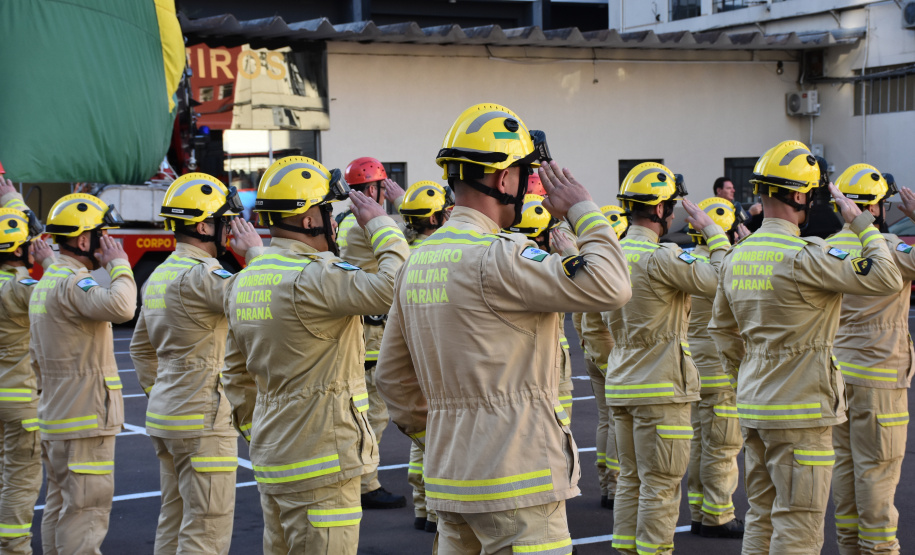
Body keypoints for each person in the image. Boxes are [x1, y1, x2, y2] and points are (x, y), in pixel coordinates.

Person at [375, 103, 631, 554]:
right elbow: (611, 285)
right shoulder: (501, 255)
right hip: (520, 482)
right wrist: (583, 211)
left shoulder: (417, 261)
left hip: (450, 479)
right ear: (502, 179)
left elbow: (392, 377)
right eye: (523, 173)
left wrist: (443, 433)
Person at [709, 141, 902, 555]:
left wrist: (746, 377)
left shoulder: (736, 256)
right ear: (799, 195)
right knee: (798, 526)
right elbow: (885, 277)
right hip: (801, 412)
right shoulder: (807, 255)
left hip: (755, 406)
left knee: (761, 516)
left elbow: (722, 331)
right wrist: (862, 224)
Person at [221, 156, 409, 555]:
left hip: (273, 456)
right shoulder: (317, 275)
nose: (332, 220)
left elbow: (234, 374)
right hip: (323, 462)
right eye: (327, 210)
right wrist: (381, 223)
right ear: (308, 220)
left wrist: (258, 432)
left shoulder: (244, 280)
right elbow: (398, 285)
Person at [129, 173, 263, 555]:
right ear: (204, 225)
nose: (229, 228)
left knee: (174, 520)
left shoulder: (159, 275)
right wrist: (252, 251)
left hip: (166, 414)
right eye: (223, 219)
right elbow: (265, 295)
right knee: (206, 528)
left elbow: (140, 349)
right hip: (201, 419)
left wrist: (163, 393)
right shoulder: (203, 275)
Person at [604, 163, 730, 555]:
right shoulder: (663, 257)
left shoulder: (613, 253)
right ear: (659, 211)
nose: (673, 213)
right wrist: (714, 232)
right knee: (660, 486)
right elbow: (721, 277)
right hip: (661, 390)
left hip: (622, 384)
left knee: (631, 480)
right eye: (670, 206)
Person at [29, 193, 137, 555]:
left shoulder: (45, 283)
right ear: (82, 239)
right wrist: (120, 265)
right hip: (84, 419)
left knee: (60, 509)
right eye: (101, 234)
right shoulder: (75, 283)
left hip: (58, 416)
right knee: (86, 514)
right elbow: (122, 306)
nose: (107, 242)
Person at [826, 166, 910, 555]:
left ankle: (849, 546)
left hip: (840, 376)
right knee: (877, 469)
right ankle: (879, 549)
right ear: (874, 208)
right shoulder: (892, 247)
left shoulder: (828, 249)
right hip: (881, 378)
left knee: (845, 467)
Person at [335, 157, 408, 509]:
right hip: (373, 332)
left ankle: (360, 475)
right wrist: (406, 204)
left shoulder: (345, 222)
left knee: (364, 408)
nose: (384, 193)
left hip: (364, 327)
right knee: (374, 411)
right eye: (381, 187)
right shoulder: (366, 226)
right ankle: (366, 483)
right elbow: (402, 248)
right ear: (372, 189)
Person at [684, 197, 747, 539]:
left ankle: (699, 510)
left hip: (692, 368)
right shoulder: (725, 263)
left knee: (698, 444)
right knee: (722, 447)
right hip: (720, 370)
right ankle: (718, 515)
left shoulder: (685, 261)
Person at [398, 179, 454, 534]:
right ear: (434, 218)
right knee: (442, 437)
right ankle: (435, 510)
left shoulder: (407, 256)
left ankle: (424, 509)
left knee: (422, 437)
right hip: (443, 359)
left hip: (414, 354)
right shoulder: (448, 252)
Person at [0, 181, 52, 555]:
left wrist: (12, 203)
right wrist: (48, 257)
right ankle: (13, 547)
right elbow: (60, 289)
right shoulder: (22, 289)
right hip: (20, 400)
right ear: (21, 250)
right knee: (19, 478)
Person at [504, 193, 577, 420]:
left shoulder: (503, 258)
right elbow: (591, 282)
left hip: (512, 371)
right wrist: (570, 253)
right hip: (552, 370)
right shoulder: (549, 269)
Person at [577, 204, 628, 511]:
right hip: (608, 351)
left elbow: (580, 318)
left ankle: (607, 484)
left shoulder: (587, 260)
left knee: (605, 420)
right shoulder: (610, 266)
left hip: (591, 351)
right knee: (616, 421)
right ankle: (615, 485)